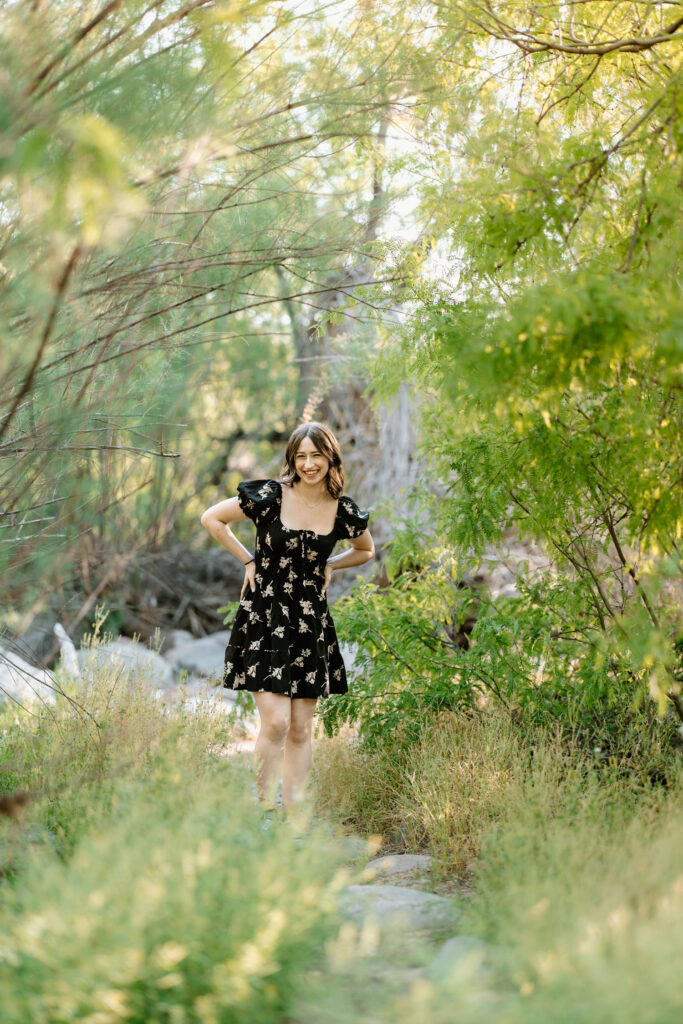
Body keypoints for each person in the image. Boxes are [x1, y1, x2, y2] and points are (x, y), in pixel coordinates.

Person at [200, 422, 375, 814]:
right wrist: (247, 560)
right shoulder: (269, 496)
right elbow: (212, 518)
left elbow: (366, 550)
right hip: (265, 617)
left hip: (310, 622)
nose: (309, 464)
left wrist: (332, 563)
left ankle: (294, 816)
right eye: (301, 456)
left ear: (331, 458)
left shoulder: (343, 510)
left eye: (317, 455)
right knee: (276, 723)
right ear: (291, 460)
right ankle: (264, 809)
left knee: (300, 728)